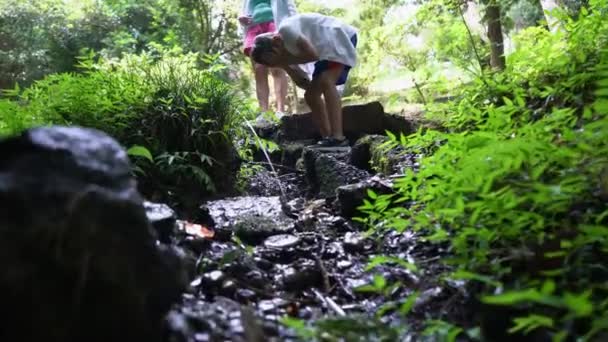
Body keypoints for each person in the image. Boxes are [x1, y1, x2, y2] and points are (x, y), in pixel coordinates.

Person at [250, 13, 358, 147]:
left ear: (276, 41)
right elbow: (303, 83)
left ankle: (338, 137)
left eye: (274, 60)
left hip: (338, 37)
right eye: (271, 64)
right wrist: (284, 65)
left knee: (326, 80)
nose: (275, 64)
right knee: (311, 95)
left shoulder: (286, 31)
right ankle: (327, 137)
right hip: (325, 51)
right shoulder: (284, 55)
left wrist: (285, 61)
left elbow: (312, 54)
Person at [239, 0, 297, 114]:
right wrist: (242, 19)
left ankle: (280, 111)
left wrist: (293, 28)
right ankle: (264, 113)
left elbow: (289, 7)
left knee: (277, 67)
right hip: (253, 28)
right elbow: (244, 10)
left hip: (275, 24)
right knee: (259, 69)